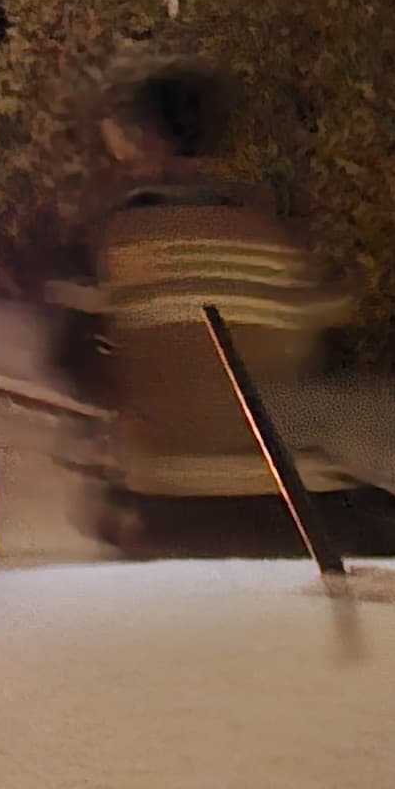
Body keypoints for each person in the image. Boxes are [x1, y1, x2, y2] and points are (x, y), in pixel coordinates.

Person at [60, 59, 352, 539]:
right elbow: (323, 358)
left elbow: (74, 361)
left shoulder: (115, 239)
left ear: (150, 137)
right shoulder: (271, 235)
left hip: (170, 496)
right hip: (292, 501)